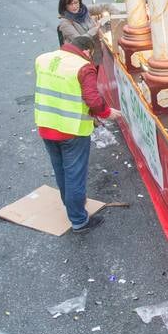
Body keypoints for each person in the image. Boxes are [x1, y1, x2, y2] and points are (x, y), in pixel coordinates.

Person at [33, 35, 116, 233]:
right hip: (72, 130)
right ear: (88, 51)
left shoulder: (42, 59)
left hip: (46, 124)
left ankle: (69, 204)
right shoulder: (83, 67)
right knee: (75, 175)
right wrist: (108, 113)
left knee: (60, 170)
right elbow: (93, 100)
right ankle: (79, 220)